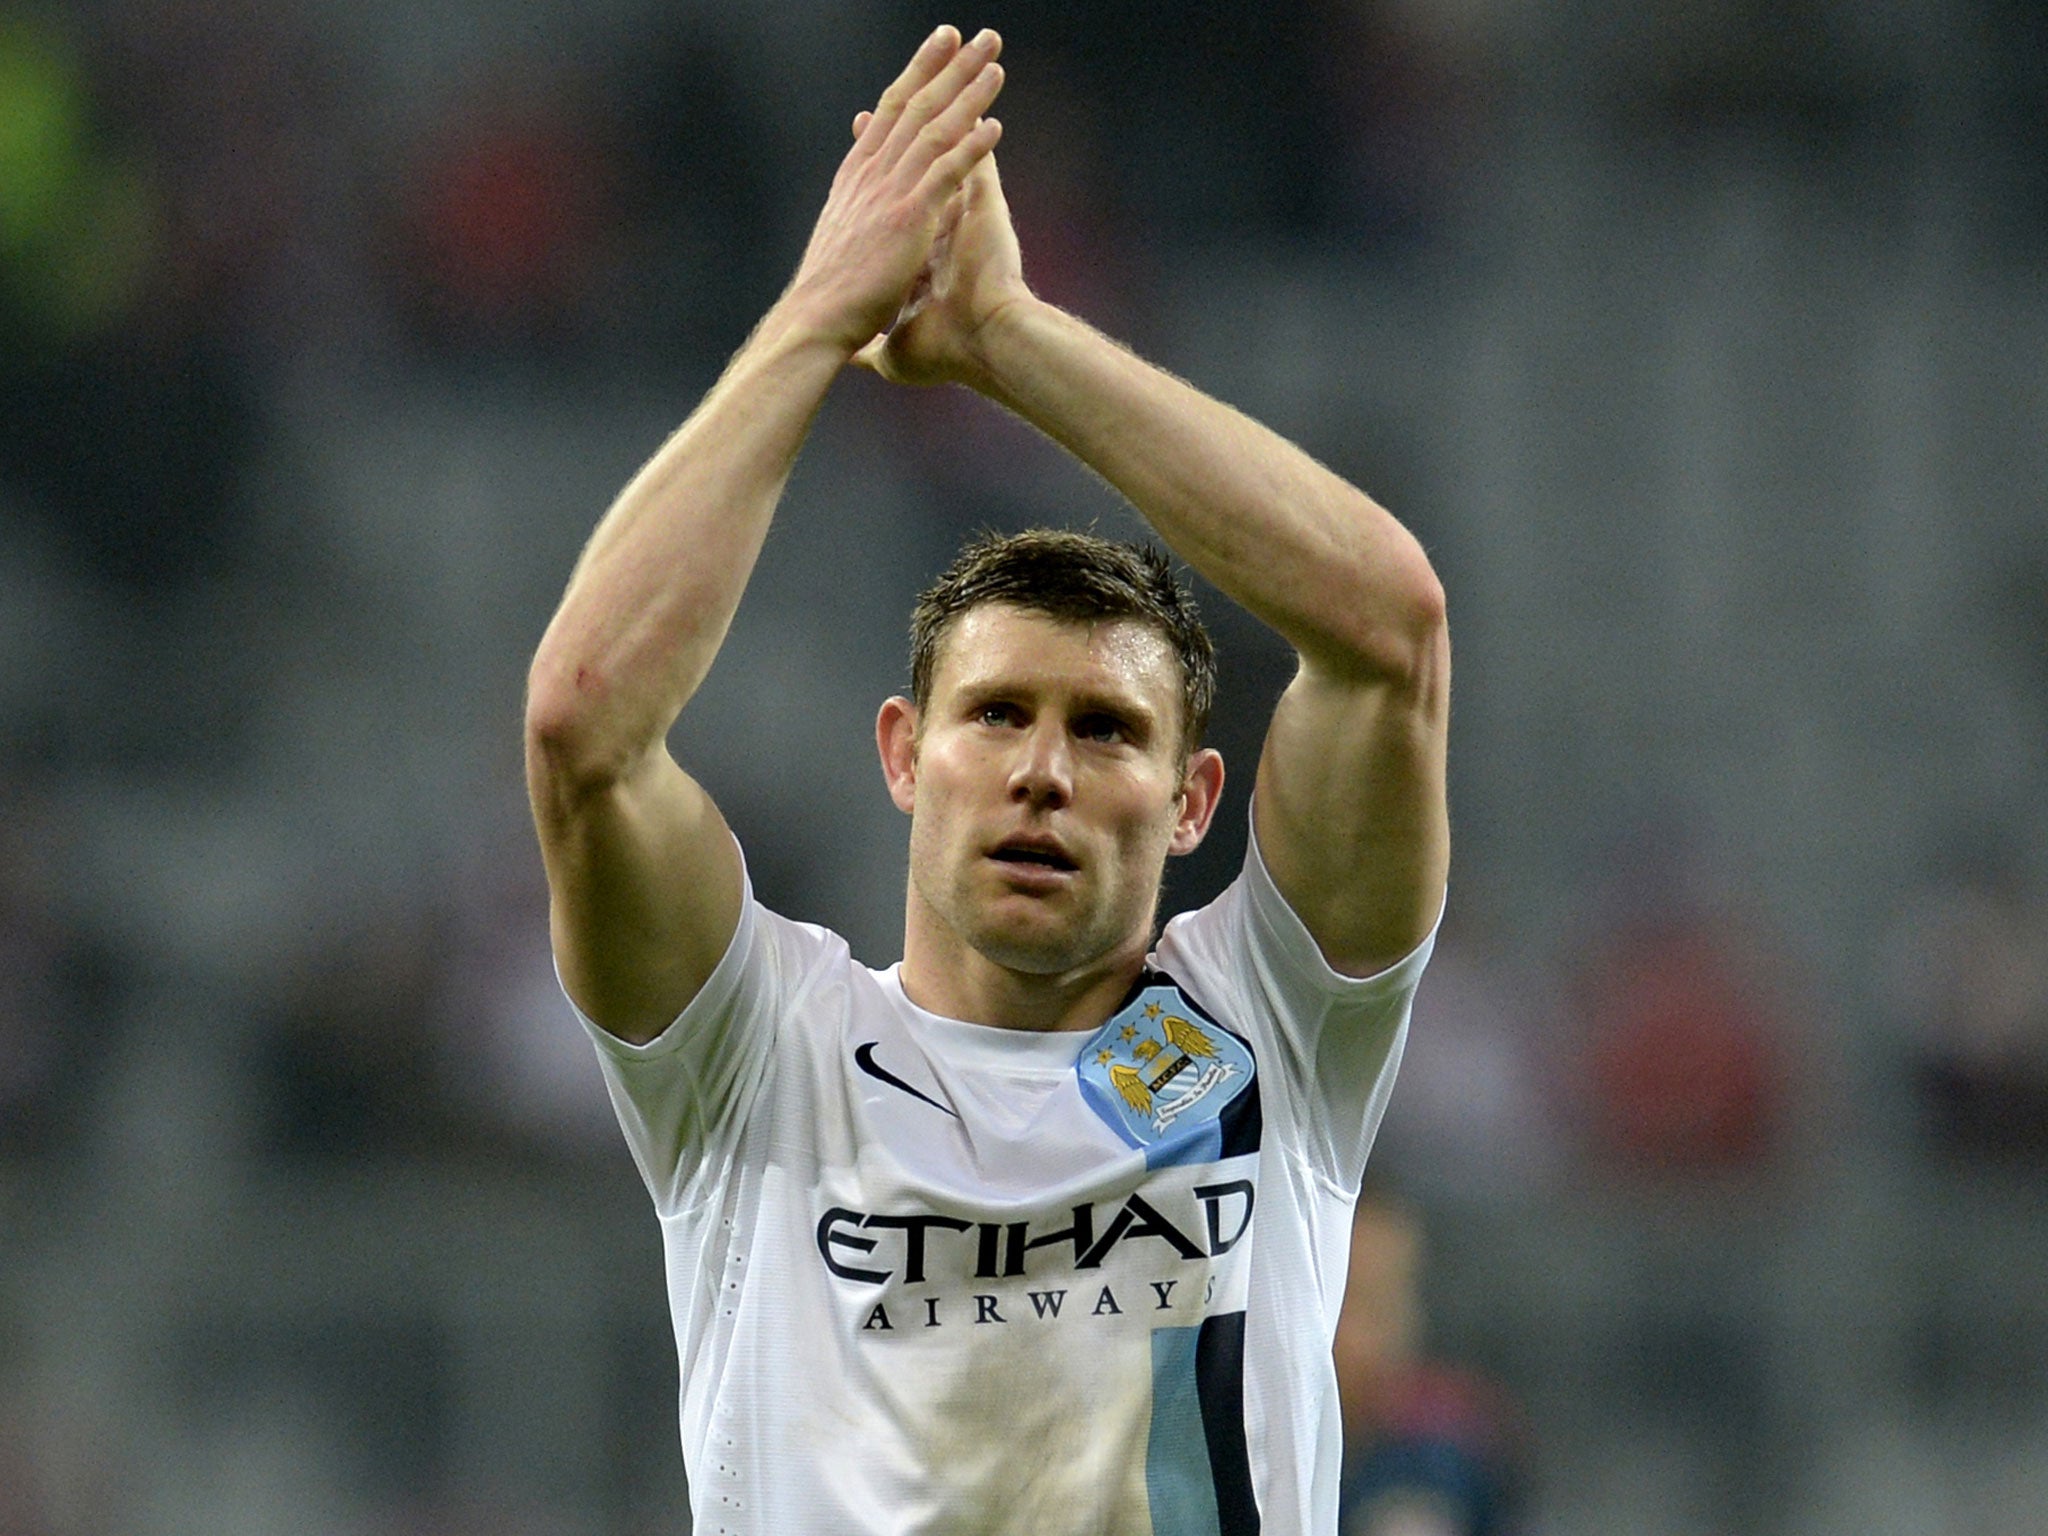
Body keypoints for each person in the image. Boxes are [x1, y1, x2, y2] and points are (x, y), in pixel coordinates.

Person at [523, 25, 1449, 1535]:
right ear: (903, 753)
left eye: (1107, 731)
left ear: (1198, 800)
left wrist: (1006, 339)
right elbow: (582, 724)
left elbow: (1389, 633)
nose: (1042, 772)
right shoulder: (762, 1055)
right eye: (998, 715)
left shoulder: (1272, 1028)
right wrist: (823, 311)